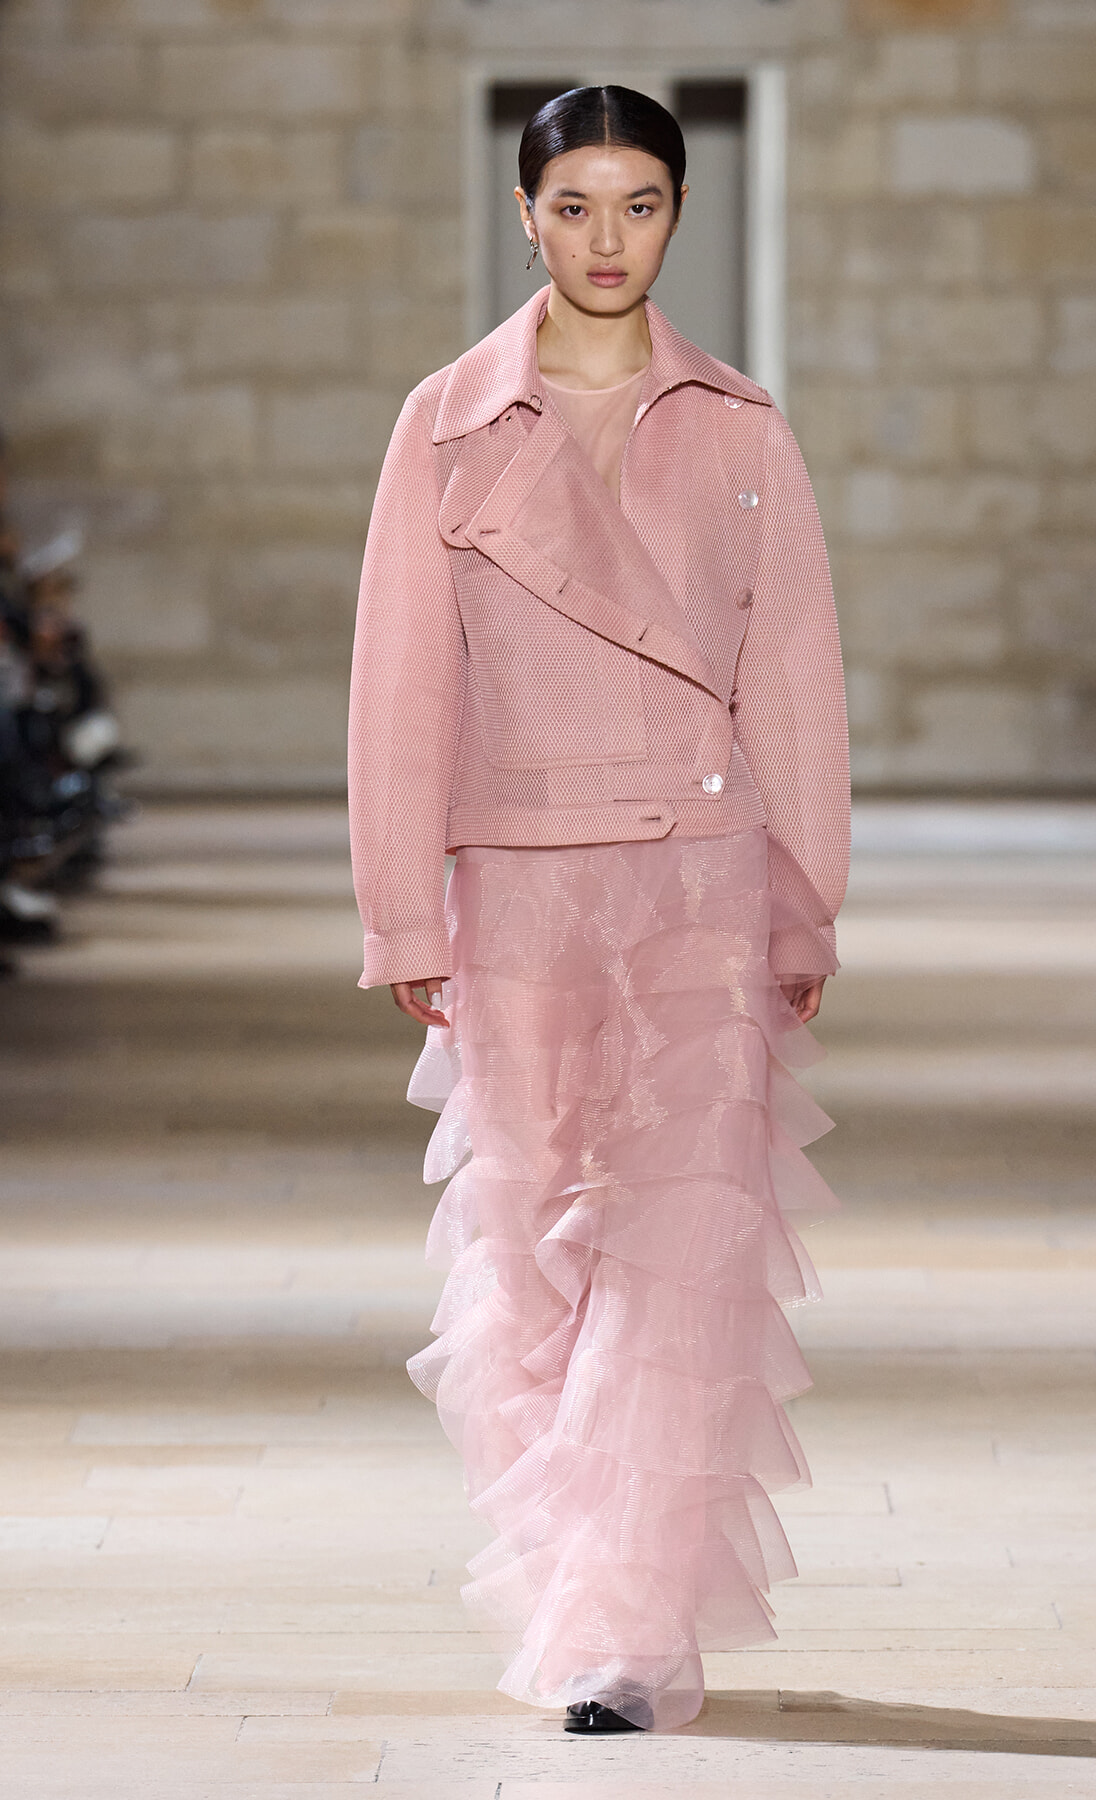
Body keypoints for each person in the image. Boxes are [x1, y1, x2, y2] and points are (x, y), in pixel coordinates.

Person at [348, 86, 849, 1735]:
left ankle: (618, 1632)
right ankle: (570, 1571)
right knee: (526, 1242)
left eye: (639, 204)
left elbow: (792, 686)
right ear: (525, 214)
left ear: (680, 215)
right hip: (517, 876)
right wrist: (402, 915)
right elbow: (403, 687)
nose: (608, 238)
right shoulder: (445, 425)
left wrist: (804, 905)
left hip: (698, 874)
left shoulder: (739, 427)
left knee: (681, 1246)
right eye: (576, 206)